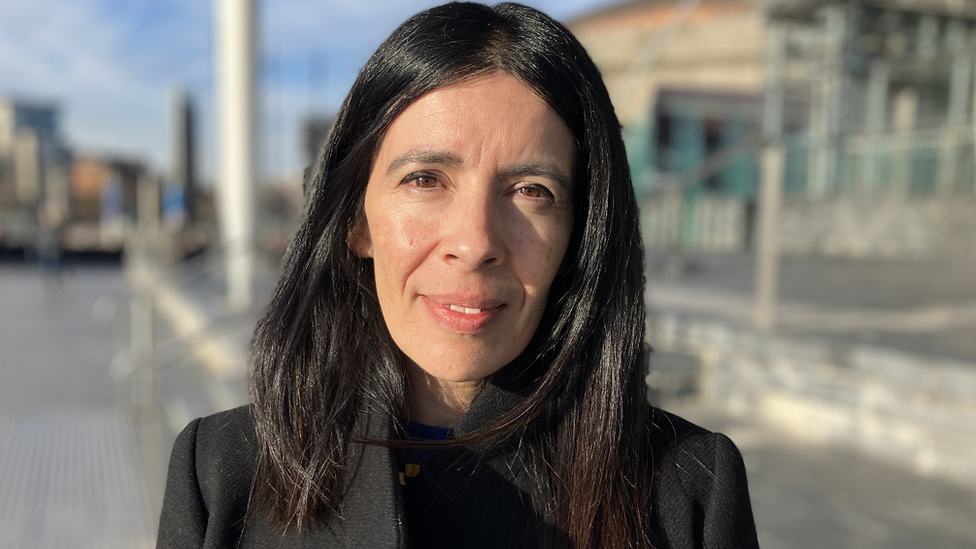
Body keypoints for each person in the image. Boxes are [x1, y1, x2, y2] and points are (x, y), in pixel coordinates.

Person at [156, 3, 759, 548]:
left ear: (580, 235)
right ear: (355, 223)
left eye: (531, 191)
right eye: (424, 179)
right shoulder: (222, 471)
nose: (475, 244)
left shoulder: (687, 492)